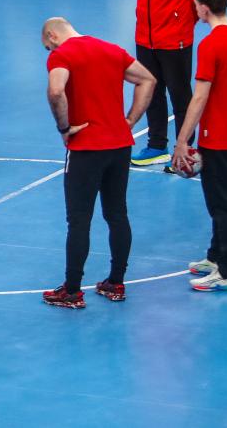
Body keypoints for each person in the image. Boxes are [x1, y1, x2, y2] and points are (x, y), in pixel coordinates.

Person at [41, 17, 156, 308]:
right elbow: (148, 79)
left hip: (86, 147)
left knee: (79, 219)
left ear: (52, 36)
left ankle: (72, 290)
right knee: (117, 213)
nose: (49, 51)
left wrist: (64, 127)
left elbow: (55, 91)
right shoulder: (111, 50)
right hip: (119, 145)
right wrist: (130, 120)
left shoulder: (62, 55)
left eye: (47, 46)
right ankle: (116, 282)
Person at [172, 0, 227, 292]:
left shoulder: (210, 45)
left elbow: (199, 98)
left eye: (196, 4)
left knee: (223, 205)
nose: (195, 9)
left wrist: (182, 140)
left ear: (204, 8)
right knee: (223, 198)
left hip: (217, 136)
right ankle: (216, 256)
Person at [128, 0, 204, 166]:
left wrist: (181, 23)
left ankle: (186, 150)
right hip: (145, 38)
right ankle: (156, 146)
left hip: (175, 40)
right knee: (151, 91)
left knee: (180, 96)